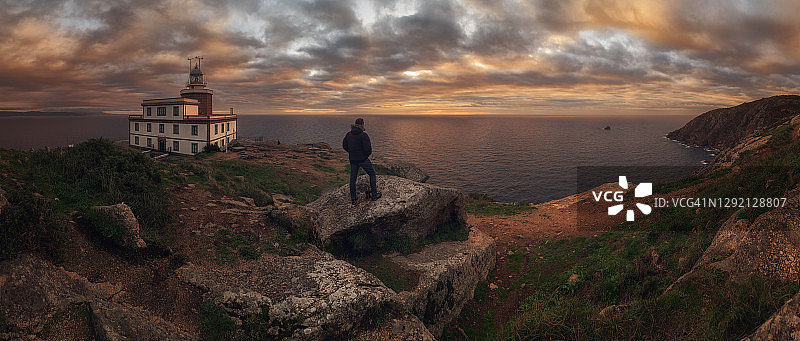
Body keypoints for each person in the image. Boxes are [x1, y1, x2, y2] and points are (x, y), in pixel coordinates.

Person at [343, 118, 381, 205]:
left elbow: (344, 146)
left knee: (353, 178)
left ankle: (353, 199)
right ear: (362, 124)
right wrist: (365, 155)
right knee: (372, 174)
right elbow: (368, 149)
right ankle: (374, 194)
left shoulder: (349, 134)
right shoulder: (363, 135)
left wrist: (351, 152)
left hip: (353, 160)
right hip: (363, 159)